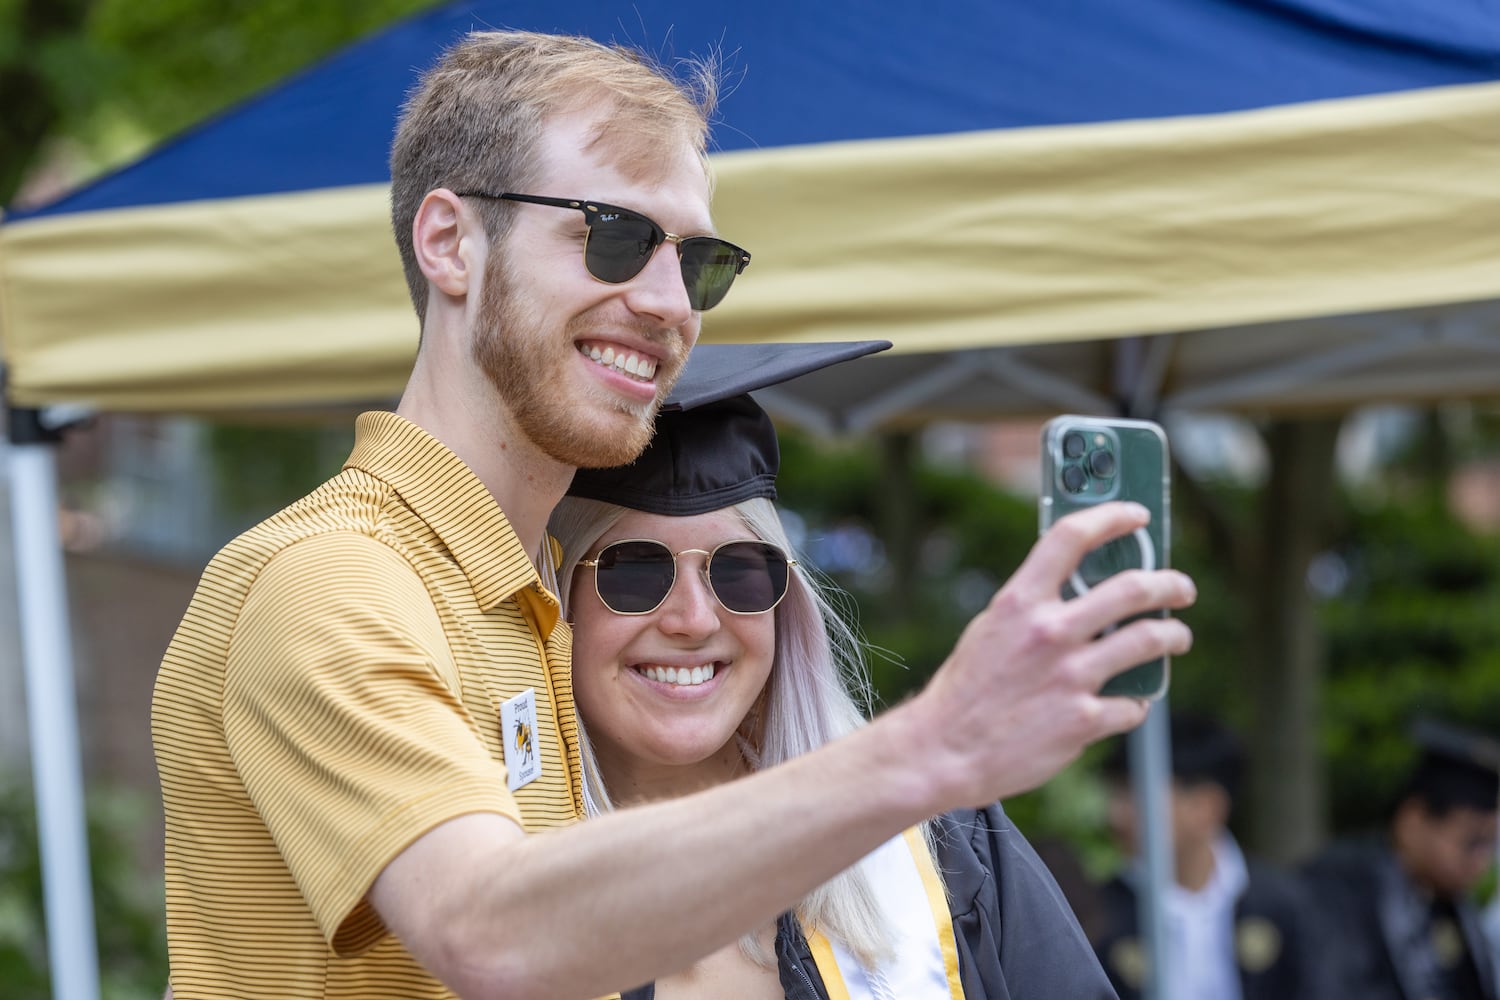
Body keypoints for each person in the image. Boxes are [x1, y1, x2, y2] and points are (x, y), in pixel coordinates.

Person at [151, 27, 1197, 1000]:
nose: (670, 305)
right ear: (450, 243)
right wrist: (932, 746)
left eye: (697, 262)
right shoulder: (336, 576)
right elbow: (482, 927)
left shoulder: (518, 603)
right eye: (612, 237)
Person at [549, 340, 1117, 998]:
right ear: (556, 594)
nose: (694, 619)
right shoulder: (473, 869)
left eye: (740, 571)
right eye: (637, 571)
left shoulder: (941, 848)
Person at [1090, 711, 1327, 999]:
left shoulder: (1284, 902)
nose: (1116, 814)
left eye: (1131, 794)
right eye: (1115, 793)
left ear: (1206, 806)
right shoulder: (1097, 913)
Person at [1300, 717, 1500, 1000]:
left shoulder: (1450, 908)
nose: (1481, 862)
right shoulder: (1335, 890)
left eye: (1490, 845)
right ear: (1413, 820)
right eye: (1471, 842)